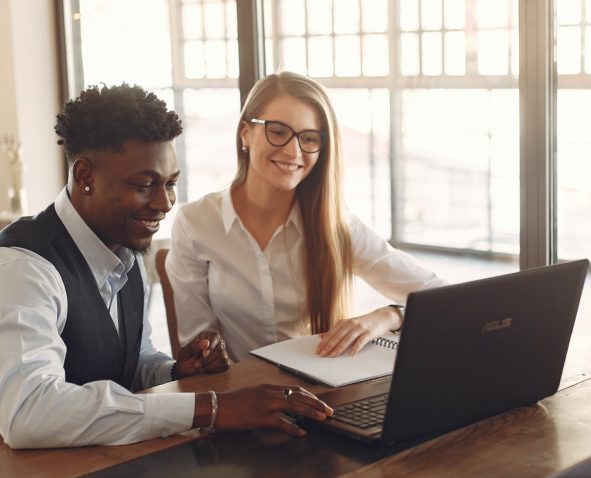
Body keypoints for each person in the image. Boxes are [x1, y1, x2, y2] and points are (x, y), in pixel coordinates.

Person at [0, 84, 332, 449]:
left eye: (170, 183)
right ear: (85, 176)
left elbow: (127, 362)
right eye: (144, 184)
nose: (165, 203)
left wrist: (171, 370)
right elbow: (30, 413)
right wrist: (212, 407)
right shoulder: (19, 272)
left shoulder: (122, 249)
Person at [167, 72, 443, 363]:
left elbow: (442, 297)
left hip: (321, 394)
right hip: (240, 398)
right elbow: (197, 347)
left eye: (309, 138)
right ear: (246, 133)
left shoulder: (336, 226)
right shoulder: (195, 223)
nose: (292, 151)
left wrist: (389, 315)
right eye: (277, 131)